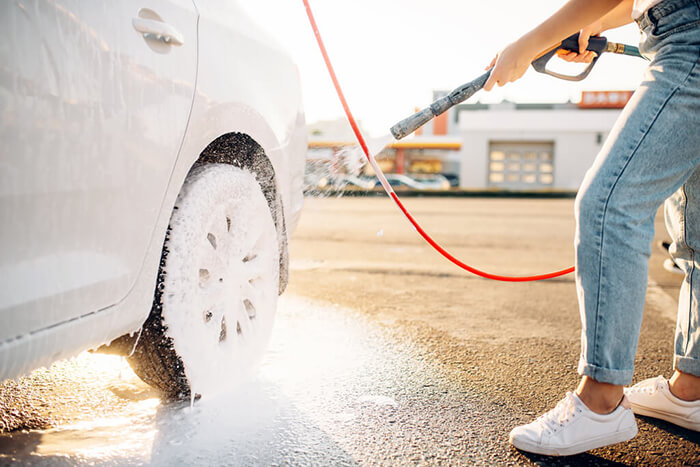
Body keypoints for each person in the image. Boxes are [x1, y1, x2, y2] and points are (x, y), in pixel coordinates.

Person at [483, 0, 700, 456]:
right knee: (697, 232)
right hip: (679, 27)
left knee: (609, 204)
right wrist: (592, 25)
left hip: (691, 41)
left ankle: (601, 403)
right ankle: (693, 388)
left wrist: (525, 46)